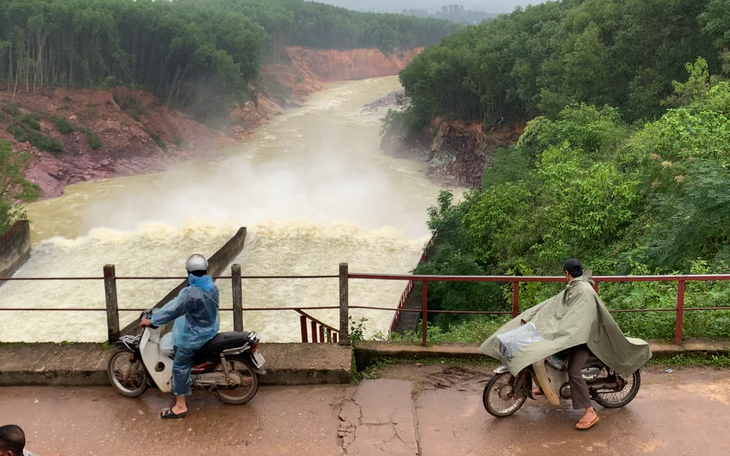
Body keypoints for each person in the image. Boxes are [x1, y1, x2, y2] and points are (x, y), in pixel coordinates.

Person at [480, 258, 652, 431]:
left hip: (586, 340)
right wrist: (537, 320)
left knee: (574, 371)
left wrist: (559, 333)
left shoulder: (583, 291)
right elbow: (555, 309)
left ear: (566, 273)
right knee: (548, 354)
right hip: (574, 335)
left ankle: (590, 411)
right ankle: (547, 384)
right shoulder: (575, 287)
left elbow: (579, 320)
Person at [140, 254, 220, 419]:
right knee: (170, 342)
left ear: (188, 272)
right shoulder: (212, 287)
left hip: (194, 336)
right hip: (209, 328)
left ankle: (180, 407)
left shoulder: (190, 293)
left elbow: (174, 310)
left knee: (179, 367)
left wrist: (152, 320)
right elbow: (177, 303)